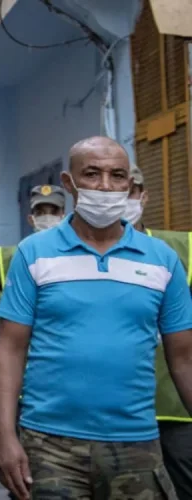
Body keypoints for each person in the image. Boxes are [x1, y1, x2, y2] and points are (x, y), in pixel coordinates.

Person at [0, 136, 192, 500]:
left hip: (136, 443)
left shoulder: (161, 260)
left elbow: (184, 359)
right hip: (50, 444)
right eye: (92, 174)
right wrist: (4, 438)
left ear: (129, 186)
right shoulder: (35, 253)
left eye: (117, 176)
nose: (105, 186)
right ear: (69, 183)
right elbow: (10, 349)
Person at [125, 163, 192, 497]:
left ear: (144, 197)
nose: (122, 199)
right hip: (113, 410)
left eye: (131, 191)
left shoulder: (180, 250)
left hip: (174, 405)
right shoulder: (80, 255)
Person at [0, 185, 66, 298]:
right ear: (31, 219)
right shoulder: (13, 257)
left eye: (53, 212)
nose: (47, 218)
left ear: (64, 217)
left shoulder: (78, 254)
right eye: (40, 213)